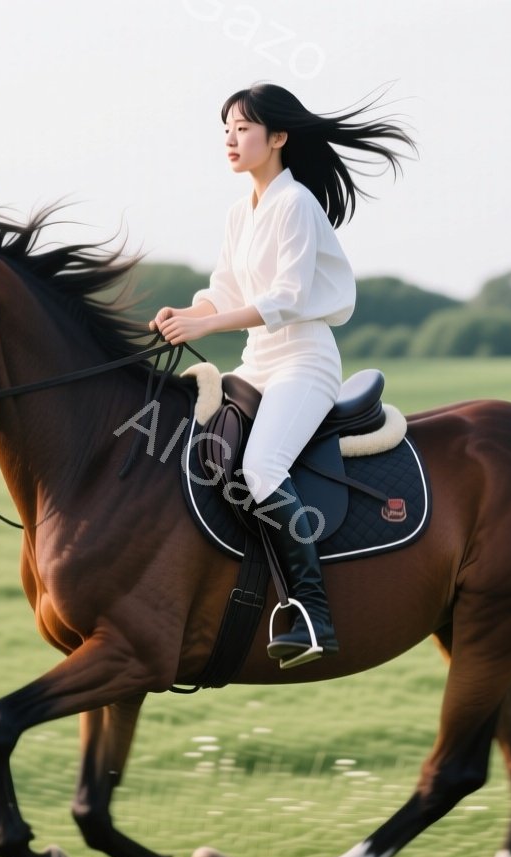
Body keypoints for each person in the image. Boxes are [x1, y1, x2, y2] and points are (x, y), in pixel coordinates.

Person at [152, 81, 416, 669]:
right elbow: (222, 292)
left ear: (277, 138)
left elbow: (288, 298)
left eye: (242, 129)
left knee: (260, 466)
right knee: (207, 452)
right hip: (258, 361)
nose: (230, 139)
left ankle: (312, 612)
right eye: (226, 130)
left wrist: (207, 329)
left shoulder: (296, 204)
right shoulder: (239, 212)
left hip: (304, 362)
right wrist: (184, 315)